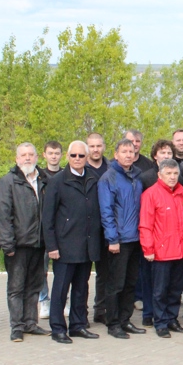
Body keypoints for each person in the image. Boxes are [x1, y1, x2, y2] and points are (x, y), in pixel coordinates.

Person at [41, 140, 102, 343]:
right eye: (73, 155)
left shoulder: (94, 178)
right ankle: (58, 328)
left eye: (81, 156)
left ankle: (78, 325)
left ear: (86, 158)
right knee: (60, 289)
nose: (77, 159)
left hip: (87, 244)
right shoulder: (57, 181)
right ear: (67, 157)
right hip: (65, 245)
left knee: (81, 288)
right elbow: (47, 217)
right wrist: (52, 246)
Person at [0, 142, 50, 342]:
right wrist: (7, 244)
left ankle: (30, 323)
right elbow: (4, 215)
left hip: (39, 244)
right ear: (16, 159)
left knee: (35, 286)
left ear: (37, 157)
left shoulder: (44, 180)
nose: (27, 158)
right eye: (23, 155)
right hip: (18, 245)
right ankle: (17, 327)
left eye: (31, 155)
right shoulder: (8, 181)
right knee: (16, 287)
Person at [98, 138, 145, 339]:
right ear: (116, 154)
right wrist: (112, 238)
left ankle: (125, 320)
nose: (128, 155)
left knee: (130, 283)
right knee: (115, 284)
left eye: (131, 151)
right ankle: (113, 323)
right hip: (119, 240)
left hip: (136, 238)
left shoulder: (137, 177)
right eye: (124, 151)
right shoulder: (108, 178)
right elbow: (106, 211)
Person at [139, 159, 183, 338]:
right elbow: (145, 224)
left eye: (175, 173)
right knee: (160, 290)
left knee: (176, 289)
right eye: (168, 173)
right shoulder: (151, 194)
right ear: (159, 175)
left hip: (181, 250)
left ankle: (172, 319)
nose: (172, 177)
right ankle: (160, 322)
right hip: (161, 252)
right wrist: (148, 249)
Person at [136, 139, 176, 326]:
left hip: (173, 244)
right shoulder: (145, 179)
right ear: (155, 156)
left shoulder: (179, 180)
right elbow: (144, 216)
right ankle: (148, 314)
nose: (166, 156)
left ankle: (167, 316)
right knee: (149, 279)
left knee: (168, 284)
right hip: (152, 240)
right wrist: (148, 244)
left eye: (169, 153)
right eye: (163, 153)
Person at [38, 140, 63, 319]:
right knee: (42, 267)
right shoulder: (38, 176)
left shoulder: (65, 175)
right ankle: (43, 300)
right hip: (42, 228)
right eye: (50, 153)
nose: (53, 156)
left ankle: (63, 299)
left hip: (62, 229)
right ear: (44, 155)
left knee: (62, 268)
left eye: (56, 153)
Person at [87, 132, 110, 324]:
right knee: (82, 274)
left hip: (107, 228)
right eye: (92, 146)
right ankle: (80, 313)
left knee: (105, 272)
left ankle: (101, 309)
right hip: (86, 229)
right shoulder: (80, 168)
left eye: (98, 145)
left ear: (103, 147)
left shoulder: (111, 168)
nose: (95, 149)